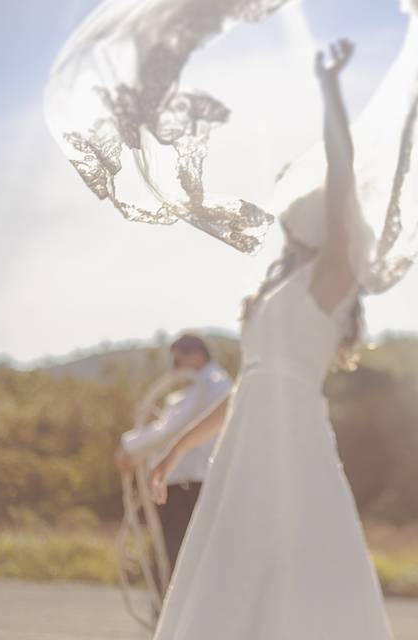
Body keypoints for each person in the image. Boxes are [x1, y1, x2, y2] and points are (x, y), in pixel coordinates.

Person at [147, 40, 394, 639]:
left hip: (295, 439)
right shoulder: (278, 286)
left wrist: (331, 90)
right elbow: (245, 389)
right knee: (233, 570)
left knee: (295, 568)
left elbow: (341, 175)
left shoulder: (330, 280)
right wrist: (175, 449)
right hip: (245, 444)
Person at [116, 333, 232, 572]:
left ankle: (167, 609)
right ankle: (162, 607)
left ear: (197, 357)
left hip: (190, 487)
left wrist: (130, 447)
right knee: (168, 556)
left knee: (177, 560)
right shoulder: (196, 391)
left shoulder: (212, 384)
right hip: (178, 486)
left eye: (177, 362)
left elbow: (175, 428)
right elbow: (176, 426)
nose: (173, 369)